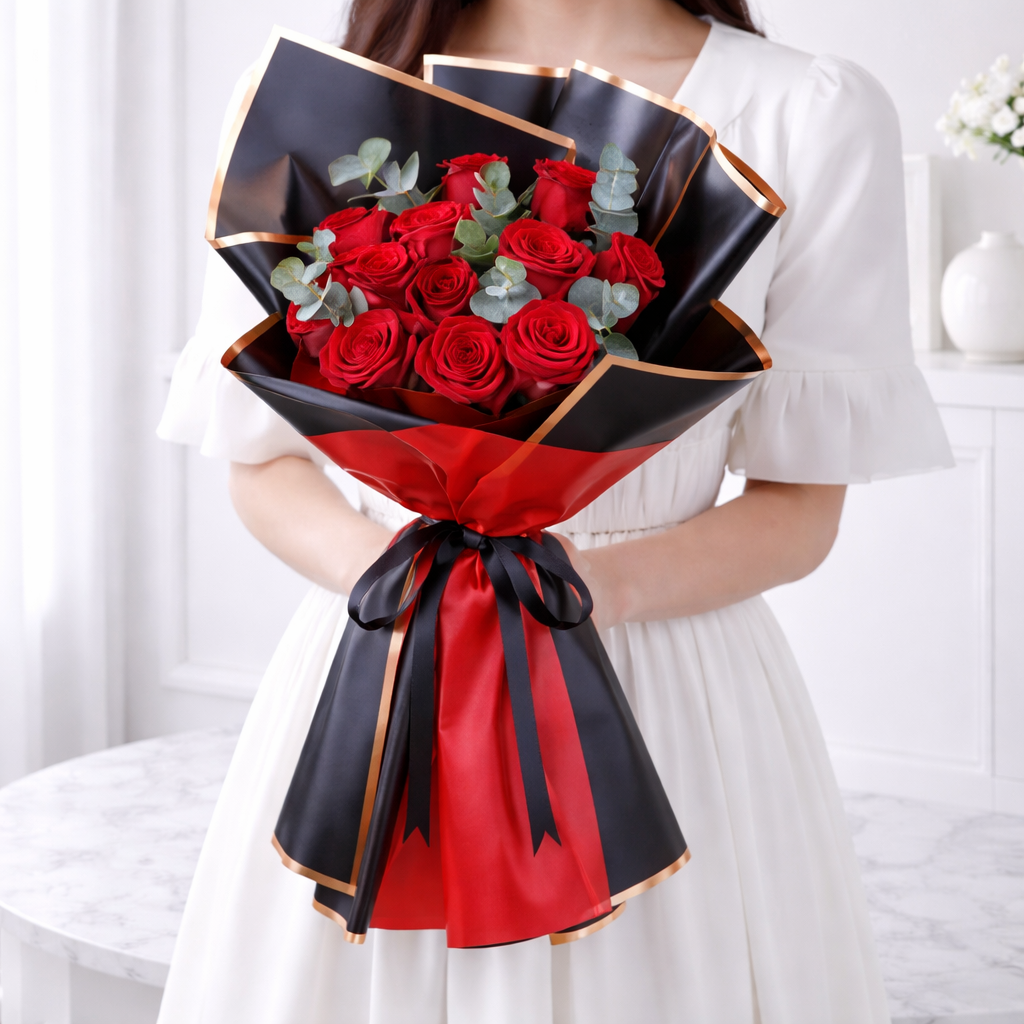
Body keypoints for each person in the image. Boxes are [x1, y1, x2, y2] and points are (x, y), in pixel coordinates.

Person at [156, 0, 953, 1021]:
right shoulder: (316, 101)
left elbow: (801, 510)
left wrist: (563, 593)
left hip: (666, 693)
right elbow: (259, 466)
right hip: (384, 655)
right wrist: (421, 587)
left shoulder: (804, 111)